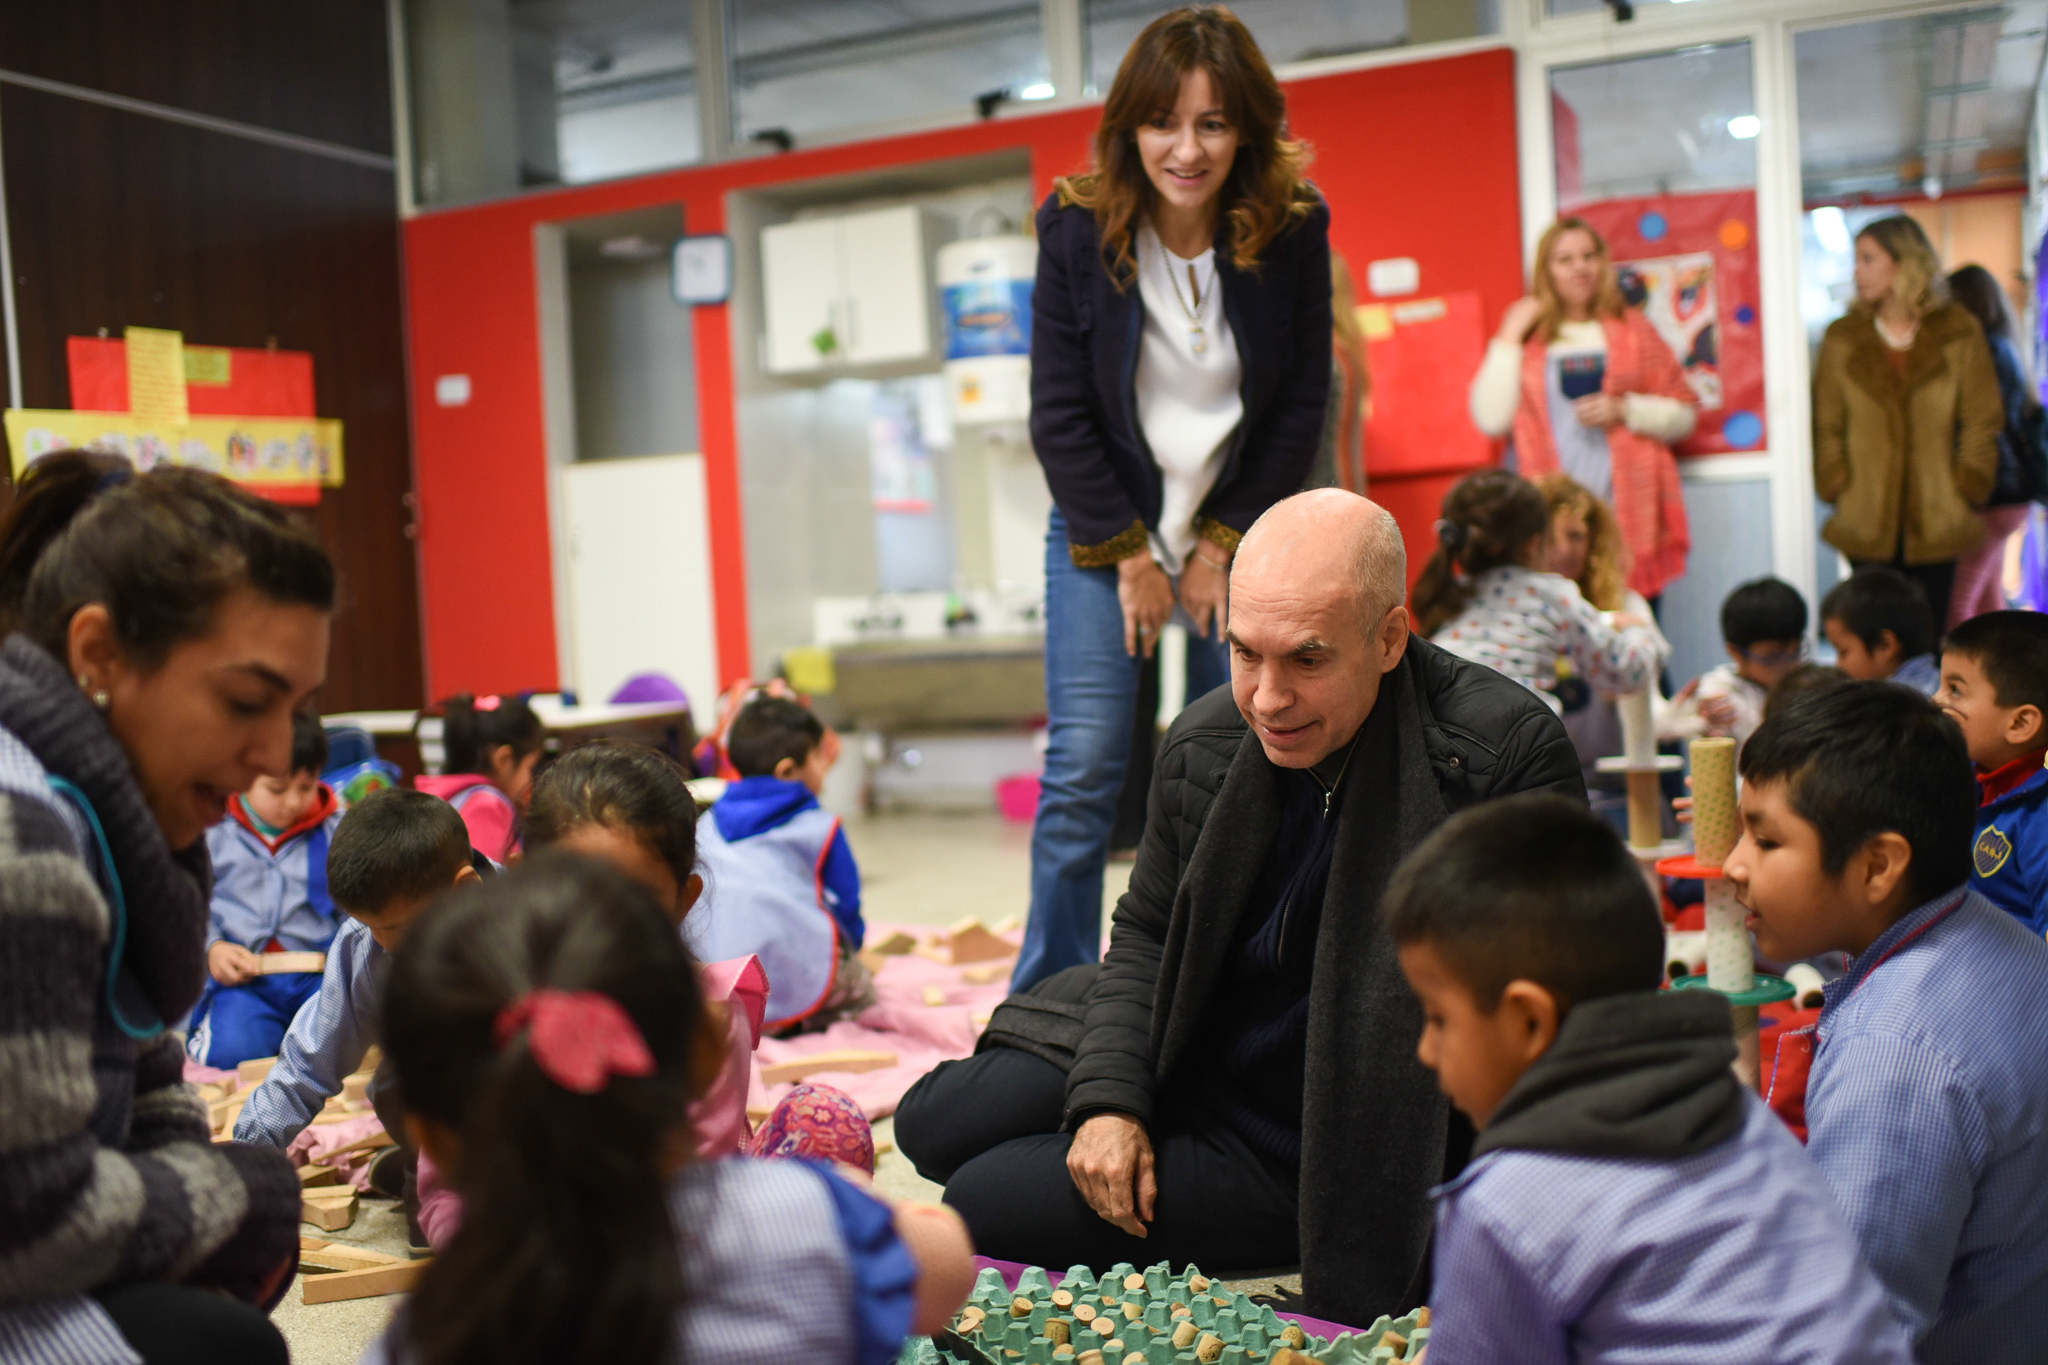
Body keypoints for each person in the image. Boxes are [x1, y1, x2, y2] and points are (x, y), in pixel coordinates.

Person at [895, 490, 1583, 1325]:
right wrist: (1114, 1099)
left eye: (1306, 659)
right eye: (1244, 653)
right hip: (1194, 1033)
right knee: (932, 1121)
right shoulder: (1208, 740)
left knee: (980, 1200)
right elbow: (1148, 932)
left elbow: (1545, 1015)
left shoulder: (1500, 758)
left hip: (1306, 1132)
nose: (1265, 697)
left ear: (1391, 637)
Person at [358, 855, 975, 1365]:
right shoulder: (803, 1218)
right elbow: (948, 1268)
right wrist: (842, 1194)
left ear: (428, 1138)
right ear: (706, 1052)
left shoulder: (425, 1332)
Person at [1019, 5, 1334, 991]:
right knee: (1083, 771)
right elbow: (1057, 408)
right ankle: (1048, 997)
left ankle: (1215, 983)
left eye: (1210, 123)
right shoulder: (1076, 225)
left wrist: (1213, 548)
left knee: (1232, 768)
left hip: (1232, 532)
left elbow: (1297, 405)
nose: (1184, 149)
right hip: (1098, 528)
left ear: (1245, 126)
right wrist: (1126, 555)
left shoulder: (1290, 226)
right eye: (1162, 122)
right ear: (1129, 126)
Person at [0, 453, 333, 1364]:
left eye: (296, 710)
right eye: (245, 700)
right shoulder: (22, 839)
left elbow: (147, 1070)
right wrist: (244, 1193)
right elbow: (32, 1217)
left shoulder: (115, 817)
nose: (273, 753)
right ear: (100, 655)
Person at [1385, 796, 1911, 1364]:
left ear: (1529, 1020)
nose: (1427, 1050)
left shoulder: (1503, 1209)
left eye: (1438, 1019)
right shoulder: (1738, 1115)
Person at [411, 740, 869, 1251]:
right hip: (524, 1271)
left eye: (636, 902)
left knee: (827, 1125)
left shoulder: (707, 1016)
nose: (604, 927)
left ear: (682, 901)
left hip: (669, 1259)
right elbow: (447, 1194)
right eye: (578, 892)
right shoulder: (486, 1007)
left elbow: (699, 1194)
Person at [1723, 681, 2048, 1359]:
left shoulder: (1893, 1057)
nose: (1732, 865)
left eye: (1765, 838)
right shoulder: (1991, 929)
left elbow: (1843, 1340)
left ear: (1878, 865)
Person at [233, 789, 481, 1154]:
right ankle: (423, 1165)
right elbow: (310, 1061)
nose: (382, 942)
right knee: (392, 1089)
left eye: (396, 928)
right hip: (431, 1123)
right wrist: (248, 1153)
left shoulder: (528, 926)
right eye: (368, 924)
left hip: (525, 1117)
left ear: (465, 890)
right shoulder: (363, 943)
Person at [1471, 216, 1697, 602]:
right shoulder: (1529, 341)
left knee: (1630, 633)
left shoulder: (1633, 331)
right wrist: (1510, 332)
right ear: (1547, 270)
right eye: (1565, 259)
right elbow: (1491, 419)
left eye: (1589, 256)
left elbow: (1685, 414)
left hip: (1625, 522)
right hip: (1552, 521)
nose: (1580, 267)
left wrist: (1625, 409)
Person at [1813, 216, 2003, 628]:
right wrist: (1835, 480)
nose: (1857, 272)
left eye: (1868, 259)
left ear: (1903, 262)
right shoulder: (1843, 338)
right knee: (1873, 635)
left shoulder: (1957, 331)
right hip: (1865, 514)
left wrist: (1969, 481)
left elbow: (1981, 418)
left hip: (1939, 512)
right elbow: (1826, 424)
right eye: (1856, 260)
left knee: (1931, 633)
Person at [691, 695, 873, 1031]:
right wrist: (852, 950)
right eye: (819, 758)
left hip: (711, 989)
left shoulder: (706, 823)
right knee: (862, 986)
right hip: (788, 987)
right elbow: (847, 906)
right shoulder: (821, 827)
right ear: (788, 771)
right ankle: (801, 1017)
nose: (825, 769)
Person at [1417, 469, 1665, 708]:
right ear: (1533, 543)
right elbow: (1626, 673)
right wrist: (1638, 631)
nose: (1563, 551)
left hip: (1446, 740)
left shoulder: (1451, 594)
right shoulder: (1551, 594)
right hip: (1519, 739)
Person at [186, 710, 345, 1068]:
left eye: (306, 787)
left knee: (341, 1048)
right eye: (277, 788)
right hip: (244, 984)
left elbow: (359, 910)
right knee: (231, 1054)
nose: (292, 802)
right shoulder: (211, 832)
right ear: (244, 776)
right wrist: (211, 948)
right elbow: (189, 903)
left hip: (318, 982)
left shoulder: (339, 833)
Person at [1939, 611, 2048, 934]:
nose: (1936, 701)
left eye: (1955, 690)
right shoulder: (1969, 773)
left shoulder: (2039, 819)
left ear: (2019, 724)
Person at [1946, 265, 2042, 626]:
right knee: (1988, 603)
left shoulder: (1982, 353)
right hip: (2013, 492)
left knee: (1959, 612)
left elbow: (1980, 429)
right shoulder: (2007, 346)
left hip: (1992, 493)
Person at [1664, 576, 1809, 749]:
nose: (1789, 665)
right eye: (1773, 657)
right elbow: (1665, 730)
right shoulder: (1719, 693)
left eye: (1796, 651)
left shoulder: (1804, 683)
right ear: (1735, 651)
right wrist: (1701, 719)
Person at [414, 691, 542, 862]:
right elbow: (485, 882)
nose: (531, 780)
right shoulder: (487, 806)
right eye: (531, 768)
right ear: (503, 759)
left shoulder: (445, 796)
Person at [1820, 565, 1940, 694]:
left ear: (1885, 646)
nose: (1838, 665)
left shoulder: (1891, 705)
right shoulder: (1938, 681)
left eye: (1844, 652)